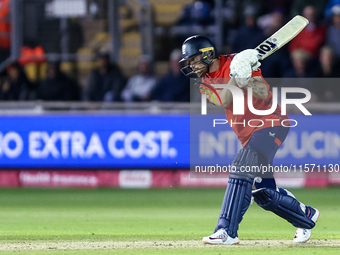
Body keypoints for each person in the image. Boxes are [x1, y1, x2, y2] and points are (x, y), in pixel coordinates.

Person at [179, 35, 320, 245]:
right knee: (264, 194)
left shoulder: (240, 60)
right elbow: (224, 99)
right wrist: (237, 78)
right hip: (248, 135)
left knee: (242, 164)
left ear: (208, 53)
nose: (192, 65)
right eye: (189, 62)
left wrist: (248, 77)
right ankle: (306, 215)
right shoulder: (205, 84)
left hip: (272, 123)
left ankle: (226, 231)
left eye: (194, 59)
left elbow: (263, 92)